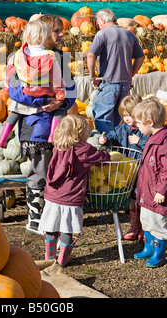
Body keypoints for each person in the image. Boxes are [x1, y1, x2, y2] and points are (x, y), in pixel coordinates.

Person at [7, 14, 76, 235]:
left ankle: (53, 214)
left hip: (58, 124)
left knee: (57, 168)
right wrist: (44, 100)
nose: (61, 34)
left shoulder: (61, 59)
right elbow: (14, 90)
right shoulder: (18, 58)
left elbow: (72, 92)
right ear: (42, 34)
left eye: (61, 30)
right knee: (39, 169)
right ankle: (34, 219)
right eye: (56, 31)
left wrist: (60, 101)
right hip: (33, 123)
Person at [39, 114, 111, 267]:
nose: (89, 132)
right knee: (67, 228)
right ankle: (63, 259)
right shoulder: (84, 149)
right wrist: (106, 153)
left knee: (51, 226)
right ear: (79, 133)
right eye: (87, 130)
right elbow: (101, 159)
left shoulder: (59, 145)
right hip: (70, 197)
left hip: (52, 194)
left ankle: (49, 256)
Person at [0, 20, 66, 148]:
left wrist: (7, 89)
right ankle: (52, 136)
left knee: (15, 111)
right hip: (43, 96)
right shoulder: (50, 56)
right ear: (45, 37)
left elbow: (9, 74)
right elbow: (56, 78)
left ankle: (2, 139)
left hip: (24, 93)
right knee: (59, 111)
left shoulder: (18, 55)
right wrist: (60, 95)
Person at [132, 98, 167, 267]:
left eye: (139, 123)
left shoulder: (165, 143)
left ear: (150, 122)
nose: (137, 127)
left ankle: (159, 252)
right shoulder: (153, 138)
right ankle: (149, 247)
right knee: (147, 220)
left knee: (159, 223)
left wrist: (162, 190)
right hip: (148, 192)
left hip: (159, 194)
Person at [87, 9, 145, 134]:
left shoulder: (102, 34)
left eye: (98, 22)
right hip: (125, 85)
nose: (98, 25)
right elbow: (141, 56)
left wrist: (92, 77)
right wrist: (131, 73)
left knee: (104, 120)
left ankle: (109, 150)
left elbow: (91, 55)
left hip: (108, 84)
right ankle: (120, 150)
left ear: (102, 20)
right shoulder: (129, 34)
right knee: (122, 119)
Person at [99, 93, 148, 241]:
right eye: (124, 115)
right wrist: (105, 139)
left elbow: (152, 145)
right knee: (131, 199)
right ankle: (134, 226)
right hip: (127, 172)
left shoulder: (144, 130)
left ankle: (144, 227)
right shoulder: (122, 129)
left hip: (142, 170)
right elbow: (112, 135)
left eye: (130, 115)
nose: (127, 118)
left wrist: (140, 141)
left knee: (142, 199)